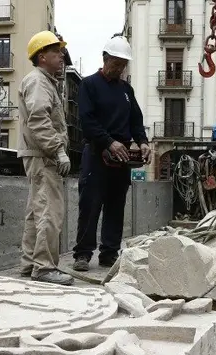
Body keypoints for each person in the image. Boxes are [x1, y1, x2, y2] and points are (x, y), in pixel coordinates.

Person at [72, 35, 151, 272]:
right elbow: (87, 121)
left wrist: (143, 142)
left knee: (116, 207)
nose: (119, 68)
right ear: (105, 59)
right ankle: (83, 254)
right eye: (115, 63)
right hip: (97, 155)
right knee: (90, 205)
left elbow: (136, 121)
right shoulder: (89, 85)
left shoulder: (127, 90)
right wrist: (108, 142)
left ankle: (109, 253)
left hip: (122, 157)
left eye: (123, 64)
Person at [17, 30, 74, 285]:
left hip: (38, 155)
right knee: (50, 212)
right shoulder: (39, 82)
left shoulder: (43, 81)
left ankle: (30, 263)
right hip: (44, 156)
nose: (61, 56)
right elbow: (39, 119)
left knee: (35, 212)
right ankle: (44, 267)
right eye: (56, 52)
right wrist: (58, 150)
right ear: (42, 57)